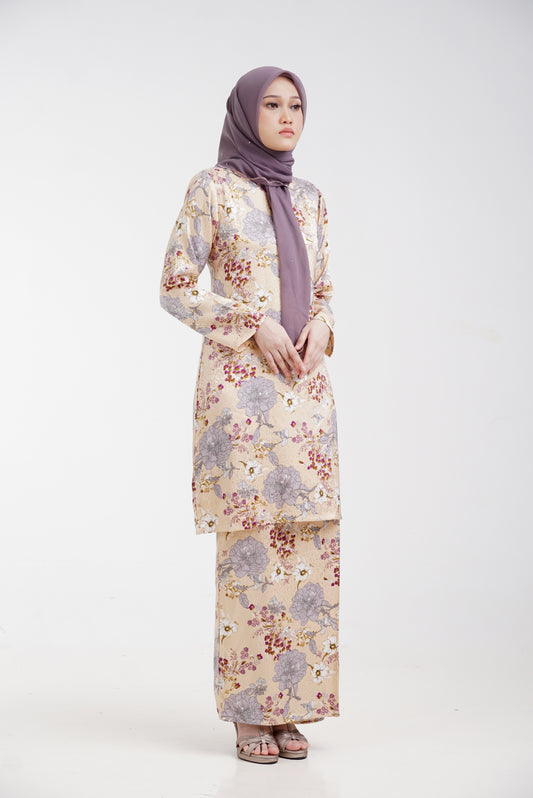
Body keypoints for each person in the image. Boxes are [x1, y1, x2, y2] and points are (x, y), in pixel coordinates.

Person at [159, 65, 341, 764]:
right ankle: (249, 713)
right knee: (250, 553)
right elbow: (176, 285)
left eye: (296, 105)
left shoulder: (310, 198)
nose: (287, 116)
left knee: (308, 552)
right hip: (242, 397)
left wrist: (323, 326)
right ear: (245, 113)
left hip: (305, 394)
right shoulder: (212, 189)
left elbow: (324, 288)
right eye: (271, 104)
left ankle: (291, 709)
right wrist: (250, 323)